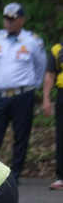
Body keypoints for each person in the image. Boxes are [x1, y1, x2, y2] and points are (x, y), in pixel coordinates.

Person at [0, 3, 46, 182]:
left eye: (12, 20)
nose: (8, 23)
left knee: (21, 135)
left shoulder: (33, 41)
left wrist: (31, 86)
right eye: (6, 19)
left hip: (23, 95)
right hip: (1, 95)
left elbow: (40, 66)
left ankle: (15, 174)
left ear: (21, 20)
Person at [42, 42, 63, 189]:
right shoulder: (57, 49)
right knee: (61, 135)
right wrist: (46, 99)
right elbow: (50, 74)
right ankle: (61, 177)